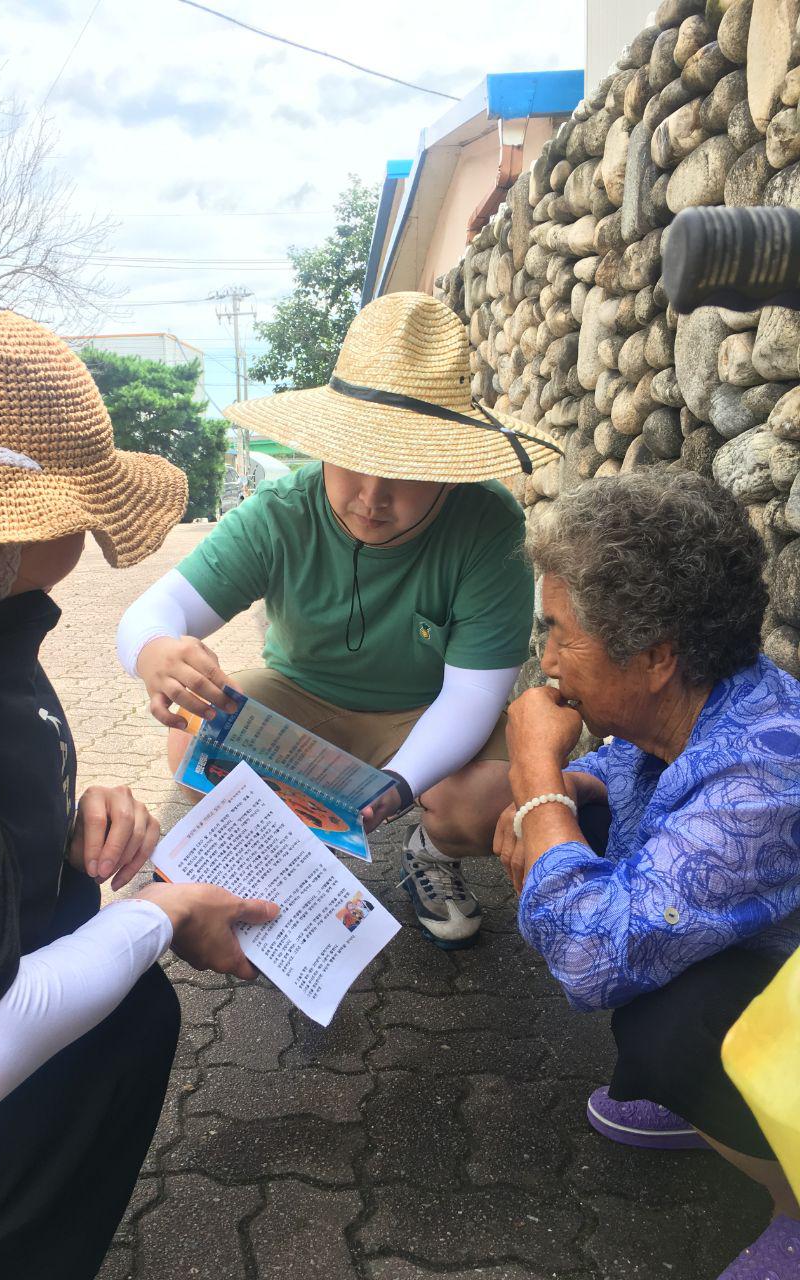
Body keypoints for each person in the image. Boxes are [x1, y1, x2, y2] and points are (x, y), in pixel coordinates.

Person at [0, 307, 279, 1280]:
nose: (84, 546)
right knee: (126, 1018)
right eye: (77, 519)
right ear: (4, 524)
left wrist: (41, 823)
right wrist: (163, 912)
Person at [117, 290, 561, 949]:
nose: (371, 497)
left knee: (495, 791)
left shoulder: (490, 526)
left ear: (448, 468)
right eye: (353, 459)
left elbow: (473, 695)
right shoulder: (281, 513)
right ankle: (290, 861)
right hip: (302, 700)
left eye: (405, 468)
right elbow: (157, 610)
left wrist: (399, 785)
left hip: (427, 708)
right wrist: (155, 651)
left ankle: (430, 854)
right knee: (193, 740)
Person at [492, 472, 800, 1277]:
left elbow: (594, 957)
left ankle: (794, 1202)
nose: (545, 662)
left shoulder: (763, 776)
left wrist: (536, 778)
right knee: (578, 822)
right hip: (762, 952)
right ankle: (711, 1110)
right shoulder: (706, 695)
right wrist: (571, 788)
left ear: (658, 654)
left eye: (561, 637)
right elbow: (633, 763)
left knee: (671, 1024)